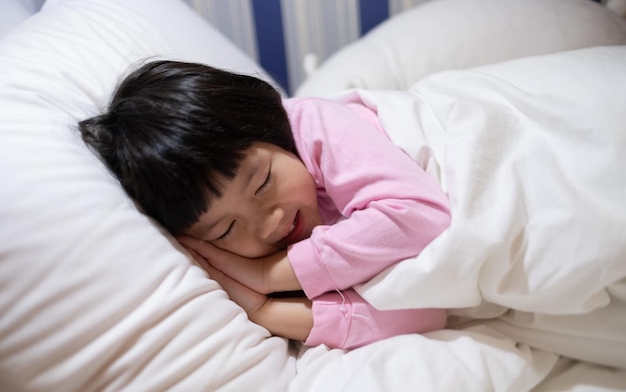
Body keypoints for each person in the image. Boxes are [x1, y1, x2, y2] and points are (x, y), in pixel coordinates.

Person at [78, 60, 452, 350]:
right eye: (225, 229)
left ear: (270, 127)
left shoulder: (312, 125)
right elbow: (428, 310)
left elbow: (421, 216)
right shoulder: (272, 261)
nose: (269, 222)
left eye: (263, 182)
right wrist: (264, 311)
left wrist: (268, 276)